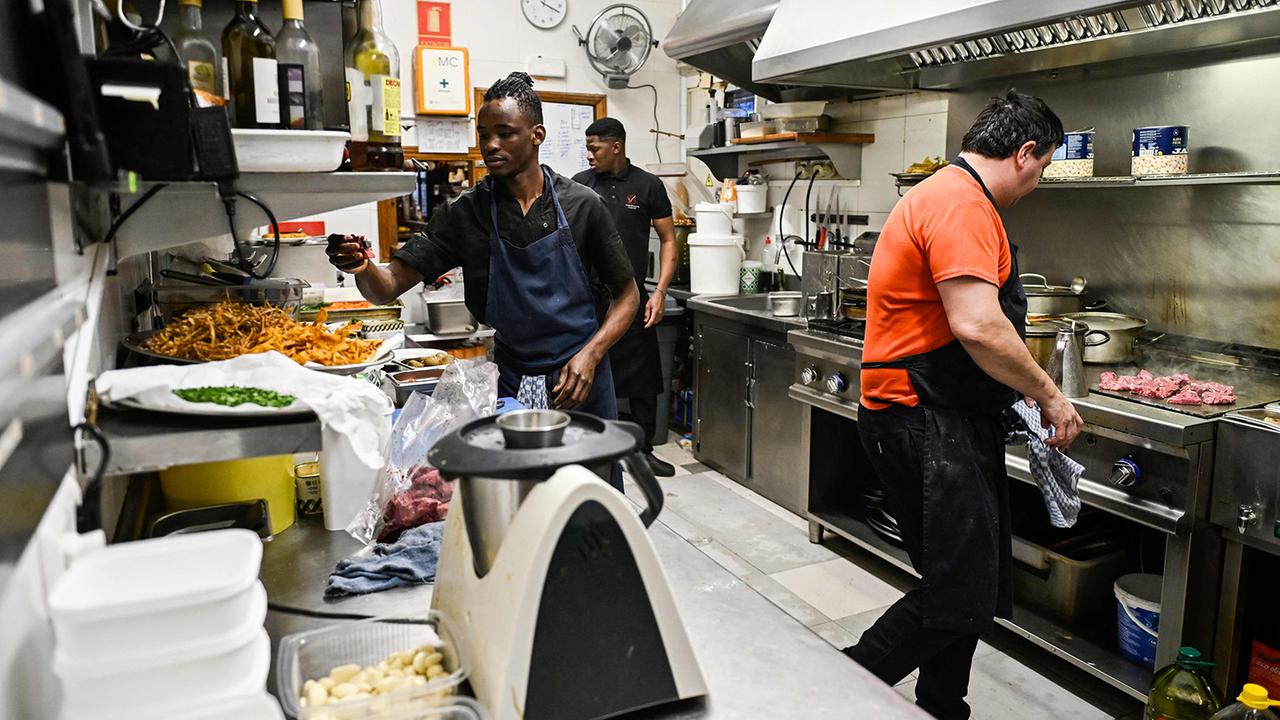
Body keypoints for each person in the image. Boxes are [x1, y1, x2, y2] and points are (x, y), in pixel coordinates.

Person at [843, 90, 1084, 720]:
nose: (1038, 181)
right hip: (922, 416)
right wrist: (1048, 394)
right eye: (1044, 166)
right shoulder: (961, 203)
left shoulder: (947, 193)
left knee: (964, 585)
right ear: (1025, 153)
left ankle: (942, 705)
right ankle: (830, 688)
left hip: (937, 414)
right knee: (962, 591)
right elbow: (978, 325)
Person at [326, 73, 640, 489]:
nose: (491, 145)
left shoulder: (583, 206)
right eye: (484, 135)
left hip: (580, 381)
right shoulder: (466, 213)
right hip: (512, 382)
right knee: (520, 498)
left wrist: (591, 355)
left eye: (505, 133)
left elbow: (628, 296)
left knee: (589, 498)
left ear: (537, 135)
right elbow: (385, 287)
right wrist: (361, 265)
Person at [572, 118, 678, 478]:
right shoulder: (579, 184)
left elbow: (668, 240)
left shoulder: (648, 186)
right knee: (587, 372)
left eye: (595, 148)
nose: (589, 155)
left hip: (632, 296)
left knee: (644, 380)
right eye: (587, 148)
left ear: (616, 146)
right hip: (589, 298)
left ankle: (642, 452)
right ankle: (590, 449)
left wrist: (660, 291)